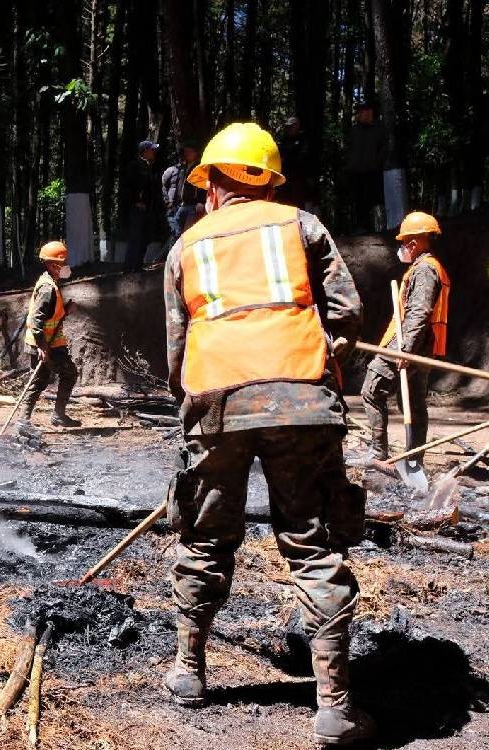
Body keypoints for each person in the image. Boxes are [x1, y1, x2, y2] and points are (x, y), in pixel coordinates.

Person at [163, 122, 373, 745]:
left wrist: (192, 405)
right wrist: (330, 359)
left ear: (213, 185)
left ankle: (189, 670)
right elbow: (349, 312)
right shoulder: (302, 226)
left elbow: (176, 346)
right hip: (301, 402)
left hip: (216, 405)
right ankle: (333, 705)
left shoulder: (186, 246)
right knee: (312, 542)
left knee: (204, 535)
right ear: (269, 182)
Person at [361, 212, 449, 462]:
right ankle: (415, 459)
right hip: (424, 346)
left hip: (411, 344)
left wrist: (404, 349)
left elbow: (419, 313)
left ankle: (378, 453)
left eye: (405, 242)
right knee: (413, 400)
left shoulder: (424, 270)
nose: (403, 247)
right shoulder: (428, 268)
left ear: (415, 242)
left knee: (372, 388)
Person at [14, 241, 80, 430]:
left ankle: (24, 419)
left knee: (40, 380)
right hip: (45, 343)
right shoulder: (47, 288)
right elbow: (36, 320)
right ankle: (49, 416)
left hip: (49, 342)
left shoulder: (50, 283)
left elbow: (51, 314)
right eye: (63, 262)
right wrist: (42, 346)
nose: (67, 266)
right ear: (53, 265)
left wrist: (65, 311)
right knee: (67, 373)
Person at [345, 102, 388, 233]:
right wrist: (349, 165)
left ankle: (378, 226)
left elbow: (384, 148)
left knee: (374, 198)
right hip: (356, 171)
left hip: (373, 171)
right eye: (363, 112)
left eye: (368, 112)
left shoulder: (378, 129)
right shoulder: (354, 130)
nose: (365, 114)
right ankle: (360, 226)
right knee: (358, 200)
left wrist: (377, 162)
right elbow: (348, 149)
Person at [161, 140, 205, 251]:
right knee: (176, 229)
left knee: (188, 231)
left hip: (194, 205)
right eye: (186, 152)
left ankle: (185, 255)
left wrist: (201, 201)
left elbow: (202, 185)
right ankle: (175, 255)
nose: (187, 154)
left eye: (190, 152)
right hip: (181, 204)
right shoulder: (183, 167)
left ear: (195, 153)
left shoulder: (199, 167)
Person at [123, 140, 159, 271]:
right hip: (137, 208)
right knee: (135, 237)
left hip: (149, 208)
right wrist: (136, 201)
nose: (154, 152)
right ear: (145, 151)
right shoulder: (134, 166)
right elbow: (128, 187)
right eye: (152, 150)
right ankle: (128, 267)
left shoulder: (151, 166)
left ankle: (138, 266)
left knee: (145, 237)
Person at [276, 116, 314, 211]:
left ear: (297, 126)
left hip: (298, 179)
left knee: (298, 206)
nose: (289, 129)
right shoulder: (283, 140)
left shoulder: (303, 140)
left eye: (292, 126)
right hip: (285, 179)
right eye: (288, 127)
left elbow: (303, 159)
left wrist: (289, 157)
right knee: (284, 204)